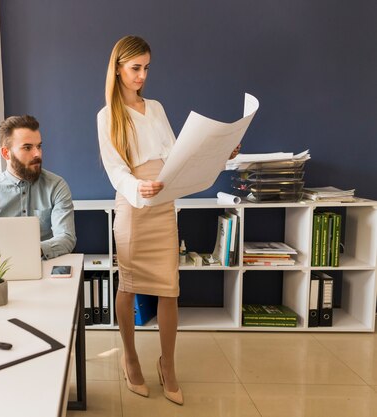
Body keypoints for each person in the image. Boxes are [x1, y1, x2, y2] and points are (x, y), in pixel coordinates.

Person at [97, 36, 240, 405]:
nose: (142, 75)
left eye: (146, 68)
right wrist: (136, 186)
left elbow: (180, 156)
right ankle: (130, 358)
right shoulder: (107, 116)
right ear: (118, 67)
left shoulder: (156, 108)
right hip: (133, 206)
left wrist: (221, 151)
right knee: (128, 286)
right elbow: (114, 170)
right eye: (135, 68)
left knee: (168, 289)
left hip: (163, 205)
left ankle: (168, 365)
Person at [0, 115, 76, 259]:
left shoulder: (56, 185)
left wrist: (32, 251)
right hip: (1, 269)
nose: (37, 154)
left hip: (45, 265)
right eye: (27, 147)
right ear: (6, 153)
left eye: (39, 146)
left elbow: (66, 238)